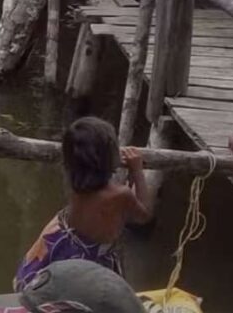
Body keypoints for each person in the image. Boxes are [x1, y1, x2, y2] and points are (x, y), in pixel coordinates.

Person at [14, 117, 150, 291]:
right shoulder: (120, 194)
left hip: (62, 242)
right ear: (109, 155)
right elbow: (144, 215)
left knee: (48, 293)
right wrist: (137, 170)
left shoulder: (77, 184)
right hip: (90, 259)